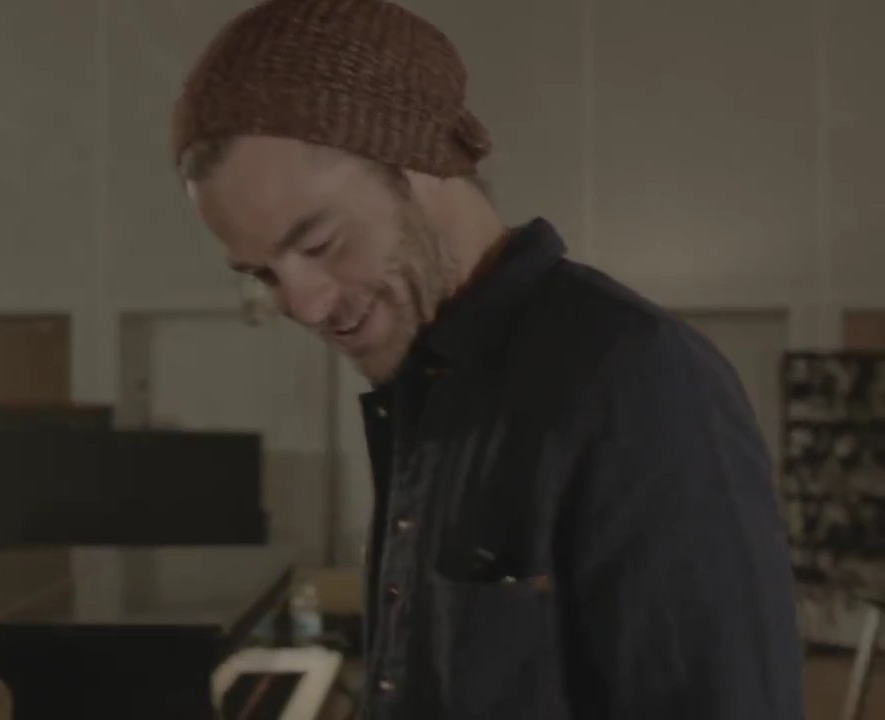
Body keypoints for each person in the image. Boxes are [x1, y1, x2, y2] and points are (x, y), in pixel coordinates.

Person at [170, 0, 806, 717]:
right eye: (262, 274)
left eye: (321, 245)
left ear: (420, 164)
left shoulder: (641, 379)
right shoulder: (423, 383)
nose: (306, 306)